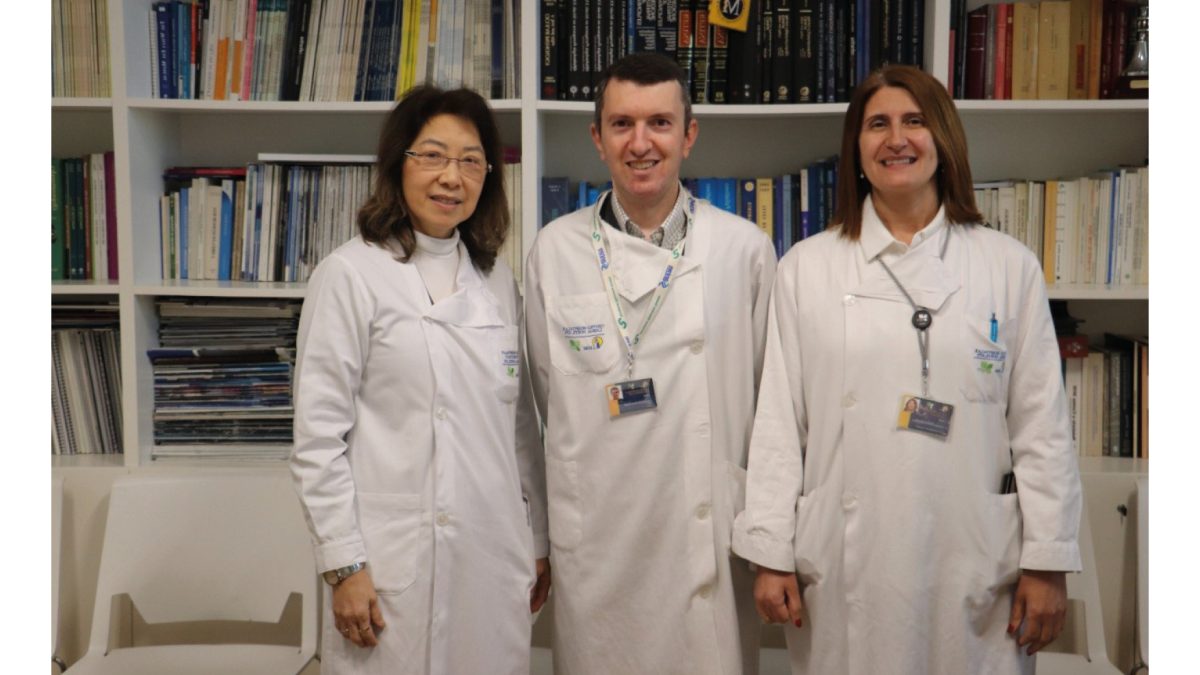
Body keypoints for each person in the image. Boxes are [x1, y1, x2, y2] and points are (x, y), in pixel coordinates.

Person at [732, 64, 1082, 675]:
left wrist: (1047, 561)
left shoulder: (1008, 267)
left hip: (972, 561)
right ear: (856, 148)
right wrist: (770, 553)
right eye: (877, 125)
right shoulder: (807, 268)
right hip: (846, 564)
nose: (896, 139)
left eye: (914, 121)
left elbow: (1042, 429)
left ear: (943, 139)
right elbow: (780, 426)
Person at [523, 52, 776, 674]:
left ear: (688, 136)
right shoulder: (554, 251)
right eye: (622, 124)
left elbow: (771, 408)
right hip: (599, 544)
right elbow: (541, 402)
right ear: (598, 137)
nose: (641, 143)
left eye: (660, 123)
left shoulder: (744, 249)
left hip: (704, 541)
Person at [290, 85, 550, 675]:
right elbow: (317, 442)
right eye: (432, 156)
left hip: (492, 554)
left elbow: (518, 430)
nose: (451, 177)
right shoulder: (350, 275)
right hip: (386, 565)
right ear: (398, 163)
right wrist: (343, 565)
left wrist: (536, 540)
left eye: (470, 161)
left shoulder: (497, 281)